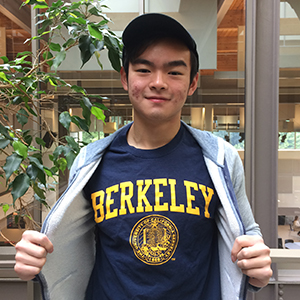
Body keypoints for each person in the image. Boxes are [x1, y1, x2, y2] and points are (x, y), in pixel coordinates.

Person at [14, 13, 272, 300]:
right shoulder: (90, 162)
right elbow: (66, 246)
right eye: (144, 70)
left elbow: (248, 235)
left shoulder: (220, 159)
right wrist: (37, 260)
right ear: (125, 78)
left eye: (174, 72)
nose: (158, 82)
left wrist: (257, 269)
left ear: (193, 83)